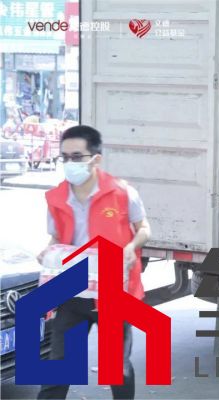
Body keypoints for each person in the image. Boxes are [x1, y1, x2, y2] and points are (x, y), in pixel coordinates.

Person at [37, 125, 151, 400]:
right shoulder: (56, 197)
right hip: (71, 292)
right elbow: (57, 237)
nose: (70, 163)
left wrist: (131, 246)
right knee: (59, 365)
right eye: (65, 157)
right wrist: (47, 251)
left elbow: (144, 228)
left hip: (114, 292)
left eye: (77, 156)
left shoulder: (122, 193)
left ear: (95, 158)